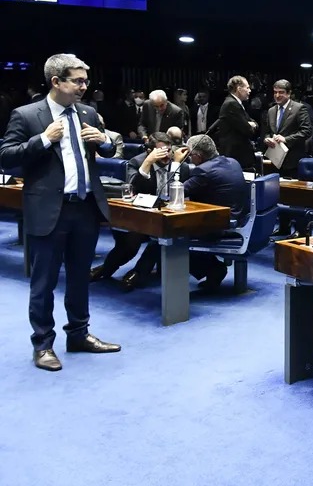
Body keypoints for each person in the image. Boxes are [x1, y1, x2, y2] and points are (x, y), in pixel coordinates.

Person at [0, 53, 120, 371]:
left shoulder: (89, 113)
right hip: (48, 210)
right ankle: (43, 345)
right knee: (44, 282)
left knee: (80, 278)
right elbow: (7, 158)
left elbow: (108, 150)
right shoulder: (26, 115)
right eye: (77, 80)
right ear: (56, 82)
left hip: (84, 208)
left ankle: (78, 334)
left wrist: (105, 142)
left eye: (85, 80)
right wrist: (43, 139)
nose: (84, 86)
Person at [96, 132, 192, 290]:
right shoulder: (137, 162)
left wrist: (175, 165)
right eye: (161, 151)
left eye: (168, 150)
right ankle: (106, 269)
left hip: (168, 218)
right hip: (141, 217)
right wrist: (147, 163)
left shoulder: (181, 165)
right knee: (129, 244)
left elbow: (174, 193)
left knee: (161, 238)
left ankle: (138, 273)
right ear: (149, 151)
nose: (166, 155)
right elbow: (131, 188)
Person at [183, 134, 251, 291]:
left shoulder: (203, 171)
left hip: (222, 226)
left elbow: (171, 192)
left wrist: (175, 163)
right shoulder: (233, 162)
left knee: (174, 235)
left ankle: (213, 269)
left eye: (190, 155)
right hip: (239, 219)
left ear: (198, 156)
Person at [262, 79, 313, 179]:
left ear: (289, 93)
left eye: (281, 92)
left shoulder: (299, 108)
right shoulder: (271, 111)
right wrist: (267, 139)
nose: (277, 95)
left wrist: (286, 139)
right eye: (275, 92)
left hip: (292, 161)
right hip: (275, 160)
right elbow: (267, 132)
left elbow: (306, 131)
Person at [217, 75, 258, 172]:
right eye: (247, 87)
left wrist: (252, 124)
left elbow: (254, 123)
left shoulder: (236, 103)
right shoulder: (232, 104)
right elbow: (248, 130)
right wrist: (250, 125)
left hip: (237, 155)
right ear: (239, 89)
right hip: (235, 155)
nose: (250, 91)